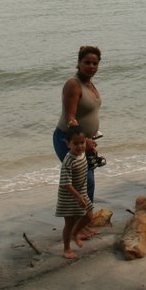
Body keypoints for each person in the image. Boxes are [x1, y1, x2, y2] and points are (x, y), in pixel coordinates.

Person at [54, 45, 102, 202]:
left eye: (95, 63)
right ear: (79, 62)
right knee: (83, 181)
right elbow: (70, 119)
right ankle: (77, 223)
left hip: (84, 141)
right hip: (68, 140)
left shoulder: (89, 83)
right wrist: (84, 140)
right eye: (87, 62)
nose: (91, 67)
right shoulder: (74, 84)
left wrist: (90, 140)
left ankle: (85, 222)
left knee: (88, 183)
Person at [56, 126, 93, 259]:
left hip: (81, 193)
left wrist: (91, 148)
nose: (79, 146)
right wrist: (77, 197)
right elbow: (66, 184)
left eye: (82, 143)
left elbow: (86, 149)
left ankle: (75, 233)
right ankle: (66, 249)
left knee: (89, 217)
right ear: (68, 144)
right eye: (75, 143)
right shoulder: (68, 161)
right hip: (70, 197)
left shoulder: (82, 153)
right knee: (69, 223)